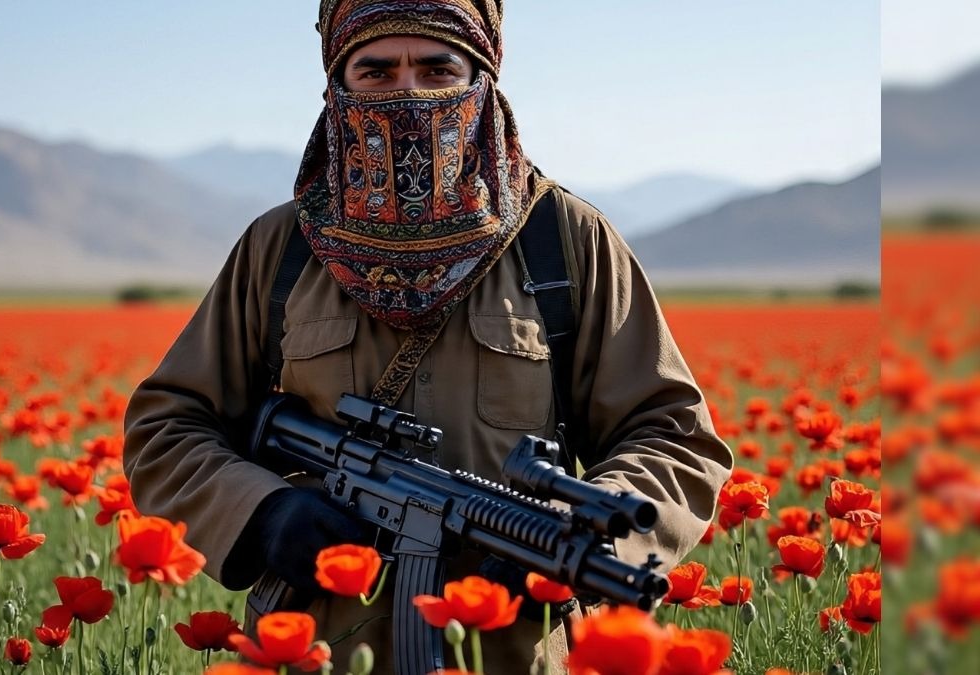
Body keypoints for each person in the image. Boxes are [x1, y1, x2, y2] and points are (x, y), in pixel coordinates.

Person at [123, 1, 733, 671]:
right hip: (316, 650)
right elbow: (168, 426)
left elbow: (674, 434)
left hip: (514, 650)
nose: (407, 93)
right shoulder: (281, 248)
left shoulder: (563, 240)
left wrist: (574, 536)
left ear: (482, 79)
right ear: (337, 85)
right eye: (376, 71)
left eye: (438, 68)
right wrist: (262, 514)